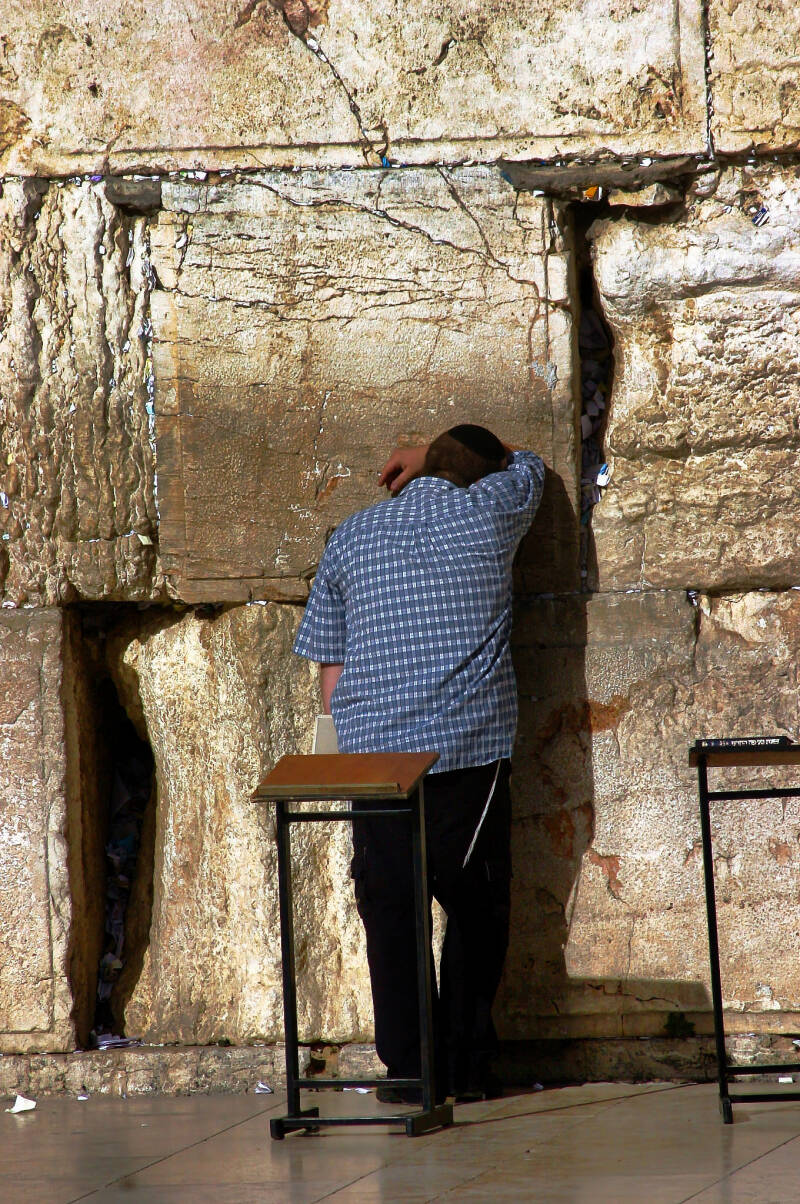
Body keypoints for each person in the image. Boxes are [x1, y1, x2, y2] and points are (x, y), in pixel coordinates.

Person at [293, 424, 545, 1102]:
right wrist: (434, 448)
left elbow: (331, 668)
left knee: (391, 909)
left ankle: (411, 1070)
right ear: (480, 477)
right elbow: (527, 462)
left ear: (423, 470)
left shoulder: (352, 536)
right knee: (476, 905)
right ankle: (465, 1065)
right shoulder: (493, 511)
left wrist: (348, 746)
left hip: (377, 759)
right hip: (467, 750)